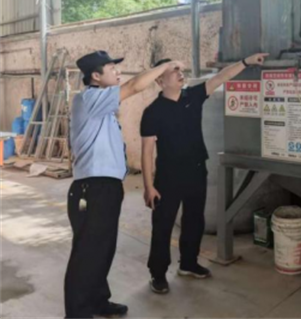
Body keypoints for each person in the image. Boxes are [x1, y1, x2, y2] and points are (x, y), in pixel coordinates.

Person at [65, 50, 184, 319]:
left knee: (103, 250)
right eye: (111, 69)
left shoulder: (102, 105)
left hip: (106, 188)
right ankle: (77, 314)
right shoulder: (89, 98)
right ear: (95, 76)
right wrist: (167, 65)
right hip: (92, 189)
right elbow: (134, 86)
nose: (118, 72)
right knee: (87, 254)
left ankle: (98, 301)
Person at [140, 53, 267, 294]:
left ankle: (188, 263)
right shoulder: (153, 112)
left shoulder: (193, 96)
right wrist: (148, 186)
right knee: (163, 225)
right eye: (173, 71)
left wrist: (245, 62)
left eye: (180, 70)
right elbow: (146, 152)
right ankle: (158, 274)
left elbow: (220, 78)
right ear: (160, 81)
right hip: (168, 177)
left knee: (194, 220)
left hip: (197, 170)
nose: (180, 74)